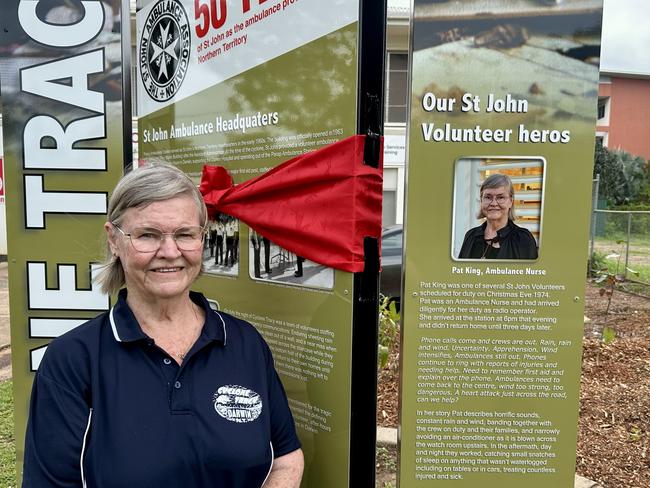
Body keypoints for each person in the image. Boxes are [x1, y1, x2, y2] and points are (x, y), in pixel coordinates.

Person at [23, 164, 304, 487]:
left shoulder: (244, 343)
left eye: (185, 234)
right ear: (114, 240)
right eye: (147, 235)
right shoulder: (73, 359)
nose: (170, 252)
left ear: (202, 238)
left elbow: (285, 456)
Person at [458, 173, 538, 259]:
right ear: (481, 200)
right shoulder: (471, 236)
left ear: (511, 201)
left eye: (500, 197)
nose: (493, 203)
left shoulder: (523, 239)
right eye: (488, 197)